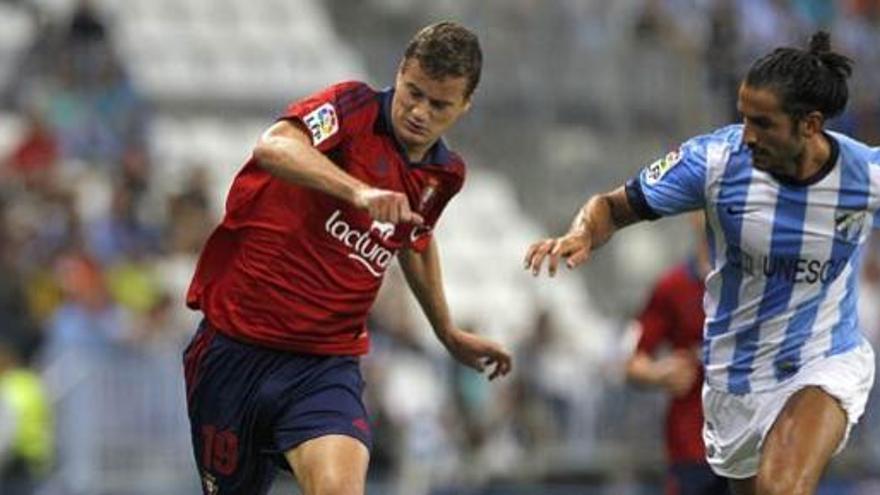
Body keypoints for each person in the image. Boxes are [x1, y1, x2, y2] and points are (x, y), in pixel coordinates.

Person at [525, 31, 876, 495]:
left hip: (823, 360)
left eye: (763, 123)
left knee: (781, 489)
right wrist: (582, 233)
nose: (748, 135)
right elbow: (612, 206)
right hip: (735, 381)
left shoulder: (865, 175)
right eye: (743, 117)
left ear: (810, 125)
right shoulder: (714, 162)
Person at [183, 21, 512, 495]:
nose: (419, 112)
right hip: (235, 348)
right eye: (412, 92)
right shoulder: (351, 108)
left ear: (464, 106)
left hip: (324, 364)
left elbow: (415, 240)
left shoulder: (445, 175)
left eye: (438, 104)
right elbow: (274, 146)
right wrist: (357, 191)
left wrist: (447, 331)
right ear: (399, 72)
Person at [624, 216, 728, 495]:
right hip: (691, 447)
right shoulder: (672, 288)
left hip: (753, 439)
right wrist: (660, 373)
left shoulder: (759, 287)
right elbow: (633, 362)